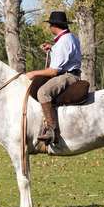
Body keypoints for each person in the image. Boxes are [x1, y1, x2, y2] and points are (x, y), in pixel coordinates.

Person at [25, 11, 82, 147]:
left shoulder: (63, 42)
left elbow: (53, 71)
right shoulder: (69, 38)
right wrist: (52, 48)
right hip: (70, 72)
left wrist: (32, 73)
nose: (49, 27)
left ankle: (52, 130)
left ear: (54, 26)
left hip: (68, 76)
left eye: (50, 25)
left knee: (43, 92)